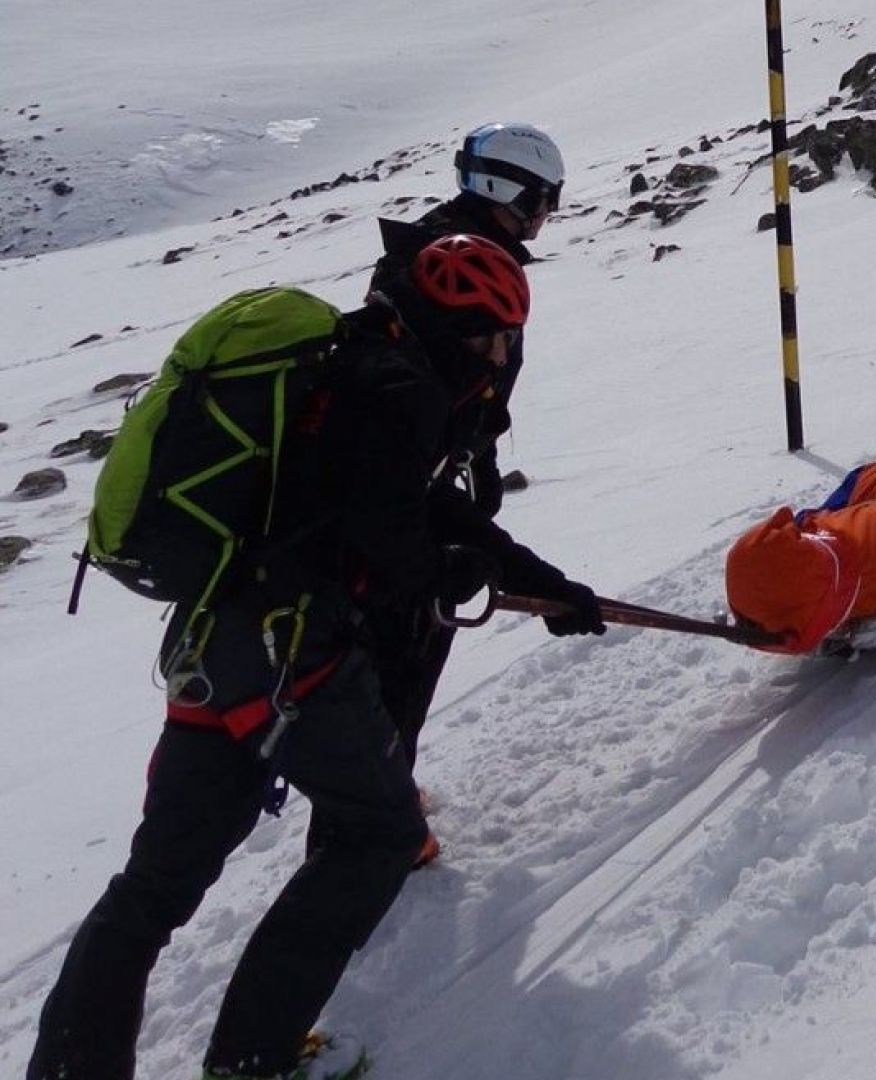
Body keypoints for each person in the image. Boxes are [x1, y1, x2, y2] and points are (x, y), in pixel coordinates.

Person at [29, 235, 604, 1080]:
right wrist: (462, 573)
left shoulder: (347, 364)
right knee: (379, 833)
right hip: (293, 656)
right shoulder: (403, 393)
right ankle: (251, 1064)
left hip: (212, 644)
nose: (499, 355)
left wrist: (538, 580)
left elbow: (421, 507)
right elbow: (396, 538)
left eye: (505, 337)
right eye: (488, 334)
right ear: (449, 327)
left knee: (154, 886)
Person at [364, 121, 567, 866]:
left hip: (421, 484)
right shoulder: (452, 270)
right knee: (408, 651)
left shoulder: (428, 252)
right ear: (508, 192)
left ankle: (384, 799)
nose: (547, 214)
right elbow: (444, 397)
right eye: (543, 198)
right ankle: (385, 822)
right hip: (413, 498)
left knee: (403, 649)